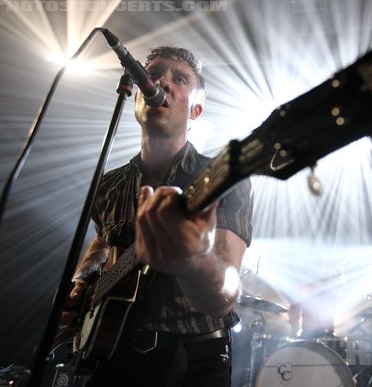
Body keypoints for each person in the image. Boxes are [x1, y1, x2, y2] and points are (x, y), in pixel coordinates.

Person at [60, 46, 253, 387]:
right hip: (111, 350)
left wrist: (193, 259)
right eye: (154, 74)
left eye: (180, 79)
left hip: (191, 355)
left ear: (196, 109)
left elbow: (223, 296)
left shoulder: (224, 176)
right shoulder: (108, 184)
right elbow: (102, 243)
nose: (163, 81)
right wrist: (80, 286)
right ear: (136, 93)